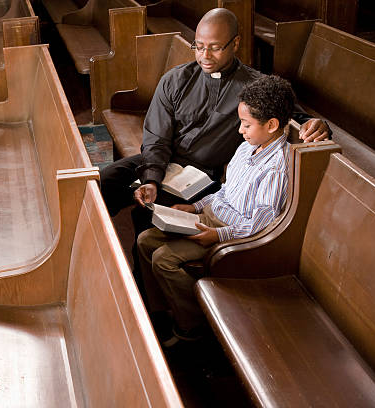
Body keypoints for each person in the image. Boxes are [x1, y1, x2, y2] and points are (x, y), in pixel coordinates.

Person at [99, 8, 330, 296]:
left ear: (235, 44)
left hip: (203, 175)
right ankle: (100, 258)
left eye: (215, 48)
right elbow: (156, 138)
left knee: (147, 215)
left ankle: (144, 292)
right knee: (105, 180)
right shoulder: (176, 80)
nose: (205, 56)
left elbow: (290, 115)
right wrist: (151, 178)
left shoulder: (253, 86)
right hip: (165, 160)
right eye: (199, 46)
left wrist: (315, 125)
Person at [138, 74, 295, 344]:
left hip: (233, 234)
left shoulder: (276, 167)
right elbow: (225, 190)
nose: (240, 130)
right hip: (210, 217)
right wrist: (194, 207)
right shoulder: (249, 148)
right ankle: (161, 310)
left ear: (271, 125)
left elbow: (262, 225)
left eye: (246, 124)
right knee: (144, 239)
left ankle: (196, 325)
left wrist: (217, 236)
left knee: (164, 258)